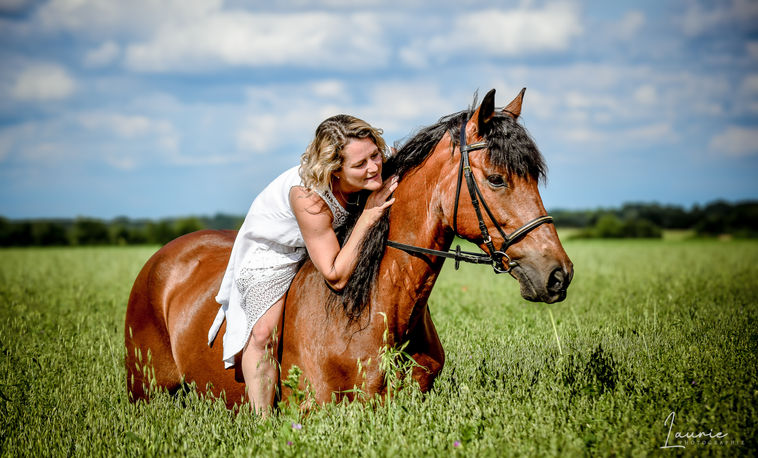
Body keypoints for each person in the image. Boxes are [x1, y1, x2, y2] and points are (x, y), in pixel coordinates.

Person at [208, 114, 397, 415]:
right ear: (335, 170)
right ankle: (262, 421)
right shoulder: (309, 197)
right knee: (263, 334)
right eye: (360, 165)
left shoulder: (373, 168)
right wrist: (369, 215)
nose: (373, 167)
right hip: (274, 251)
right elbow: (335, 274)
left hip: (320, 243)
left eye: (375, 155)